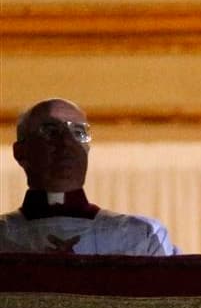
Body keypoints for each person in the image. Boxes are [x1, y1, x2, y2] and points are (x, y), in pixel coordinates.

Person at [0, 98, 179, 255]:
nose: (67, 142)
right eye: (50, 131)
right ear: (20, 152)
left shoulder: (140, 236)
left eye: (78, 133)